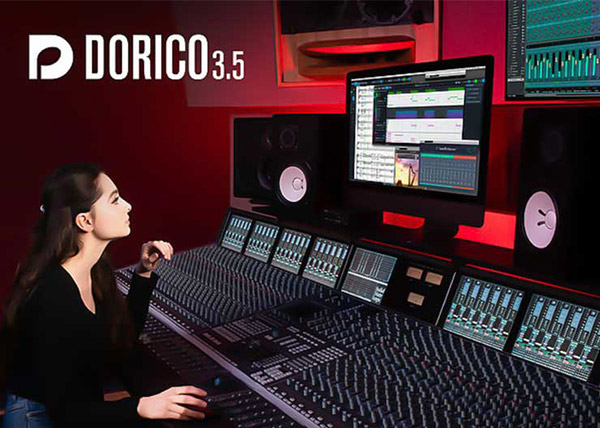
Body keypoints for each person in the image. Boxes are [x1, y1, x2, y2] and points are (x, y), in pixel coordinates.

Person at [0, 163, 207, 427]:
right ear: (85, 221)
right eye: (115, 200)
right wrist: (142, 406)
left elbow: (122, 339)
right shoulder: (53, 298)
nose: (128, 206)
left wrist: (144, 273)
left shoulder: (93, 270)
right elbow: (67, 414)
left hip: (77, 408)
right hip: (38, 417)